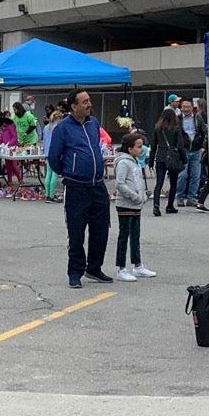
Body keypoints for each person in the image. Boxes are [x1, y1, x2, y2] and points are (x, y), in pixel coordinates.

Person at [47, 91, 111, 287]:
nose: (88, 104)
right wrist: (70, 171)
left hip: (97, 184)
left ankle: (94, 267)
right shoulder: (63, 128)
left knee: (101, 229)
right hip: (76, 186)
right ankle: (75, 272)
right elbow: (53, 158)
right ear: (73, 106)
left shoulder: (93, 123)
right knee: (76, 232)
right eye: (84, 102)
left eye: (89, 101)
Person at [112, 131, 155, 281]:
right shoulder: (124, 162)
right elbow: (120, 184)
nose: (141, 149)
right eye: (138, 147)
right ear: (130, 148)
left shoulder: (134, 161)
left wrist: (142, 196)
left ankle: (137, 265)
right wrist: (135, 196)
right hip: (125, 204)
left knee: (135, 235)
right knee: (124, 235)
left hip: (136, 205)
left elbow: (137, 181)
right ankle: (121, 268)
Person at [150, 107, 185, 216]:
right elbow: (180, 145)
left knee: (159, 183)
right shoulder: (176, 128)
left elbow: (153, 146)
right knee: (173, 183)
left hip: (160, 156)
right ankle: (170, 206)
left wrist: (151, 161)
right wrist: (184, 159)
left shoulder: (157, 128)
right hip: (172, 157)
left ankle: (156, 206)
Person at [178, 99, 207, 211]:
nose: (185, 109)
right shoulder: (178, 119)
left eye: (188, 107)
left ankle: (192, 197)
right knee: (183, 175)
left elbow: (204, 131)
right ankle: (180, 196)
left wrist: (203, 145)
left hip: (196, 149)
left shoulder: (197, 118)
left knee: (196, 175)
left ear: (192, 107)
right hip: (183, 150)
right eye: (183, 107)